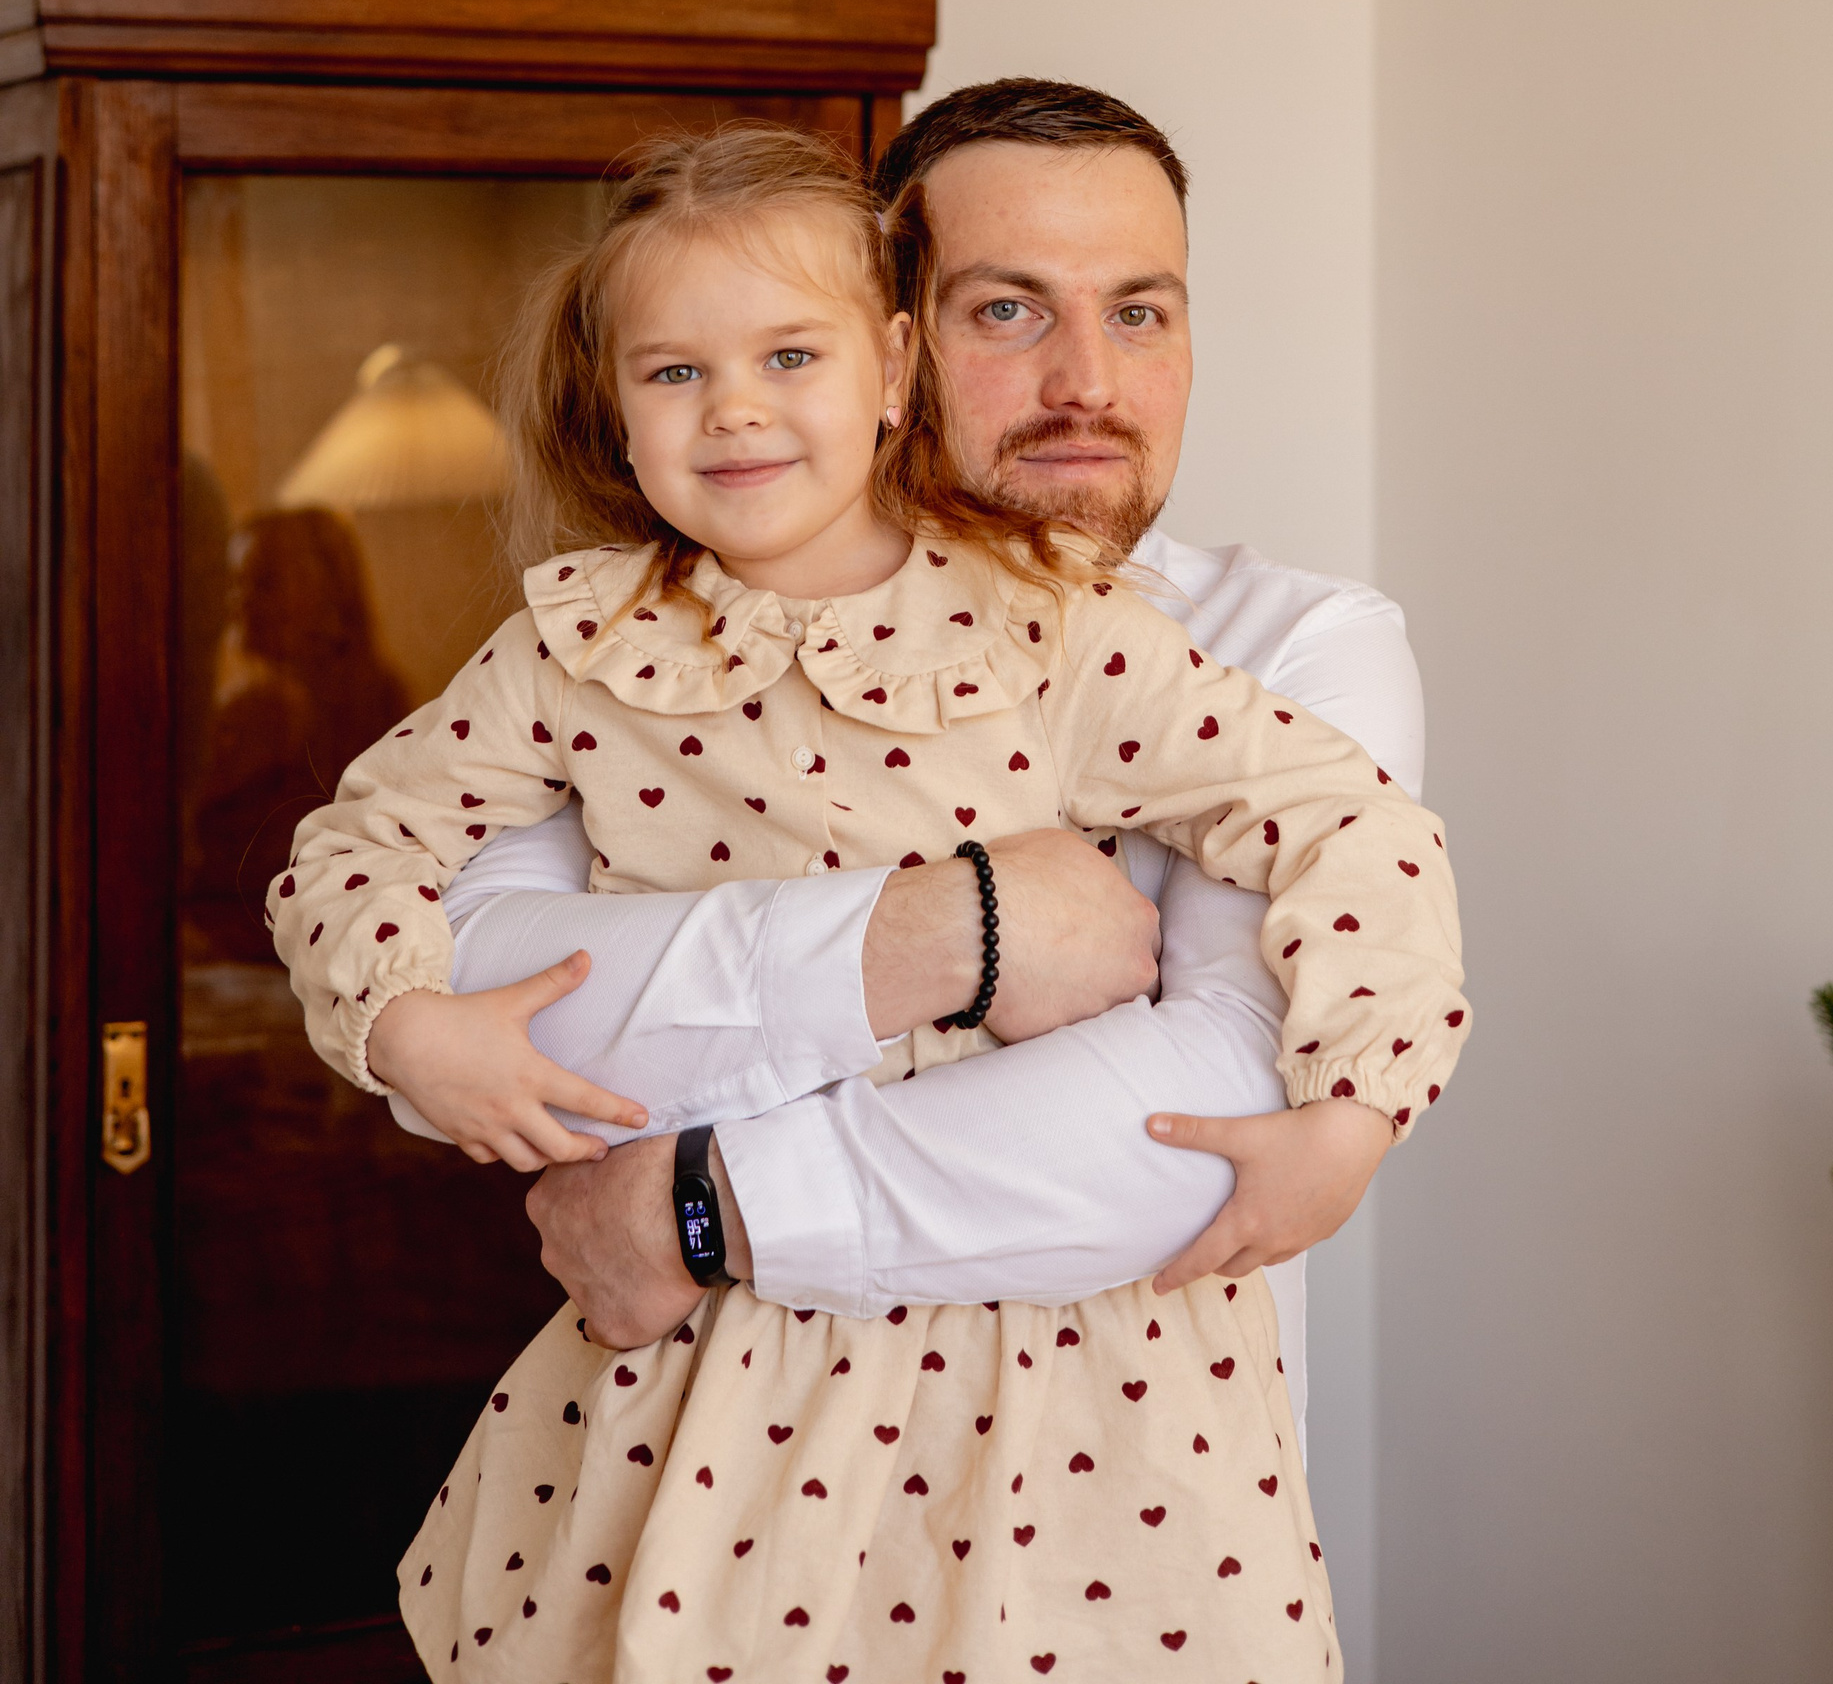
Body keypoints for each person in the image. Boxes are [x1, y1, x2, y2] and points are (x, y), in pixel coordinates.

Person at [271, 122, 1467, 1681]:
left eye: (789, 355)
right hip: (719, 1380)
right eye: (676, 372)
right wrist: (404, 1024)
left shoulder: (1060, 629)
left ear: (885, 367)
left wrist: (1363, 1100)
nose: (737, 409)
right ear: (613, 406)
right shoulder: (578, 654)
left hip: (1072, 1388)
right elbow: (365, 850)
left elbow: (1344, 821)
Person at [431, 82, 1427, 1416]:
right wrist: (967, 931)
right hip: (724, 1454)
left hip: (1125, 1483)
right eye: (1007, 310)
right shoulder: (647, 647)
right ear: (889, 346)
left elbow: (1215, 1114)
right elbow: (485, 995)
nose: (1087, 383)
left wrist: (696, 1209)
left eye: (1139, 312)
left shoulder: (1295, 644)